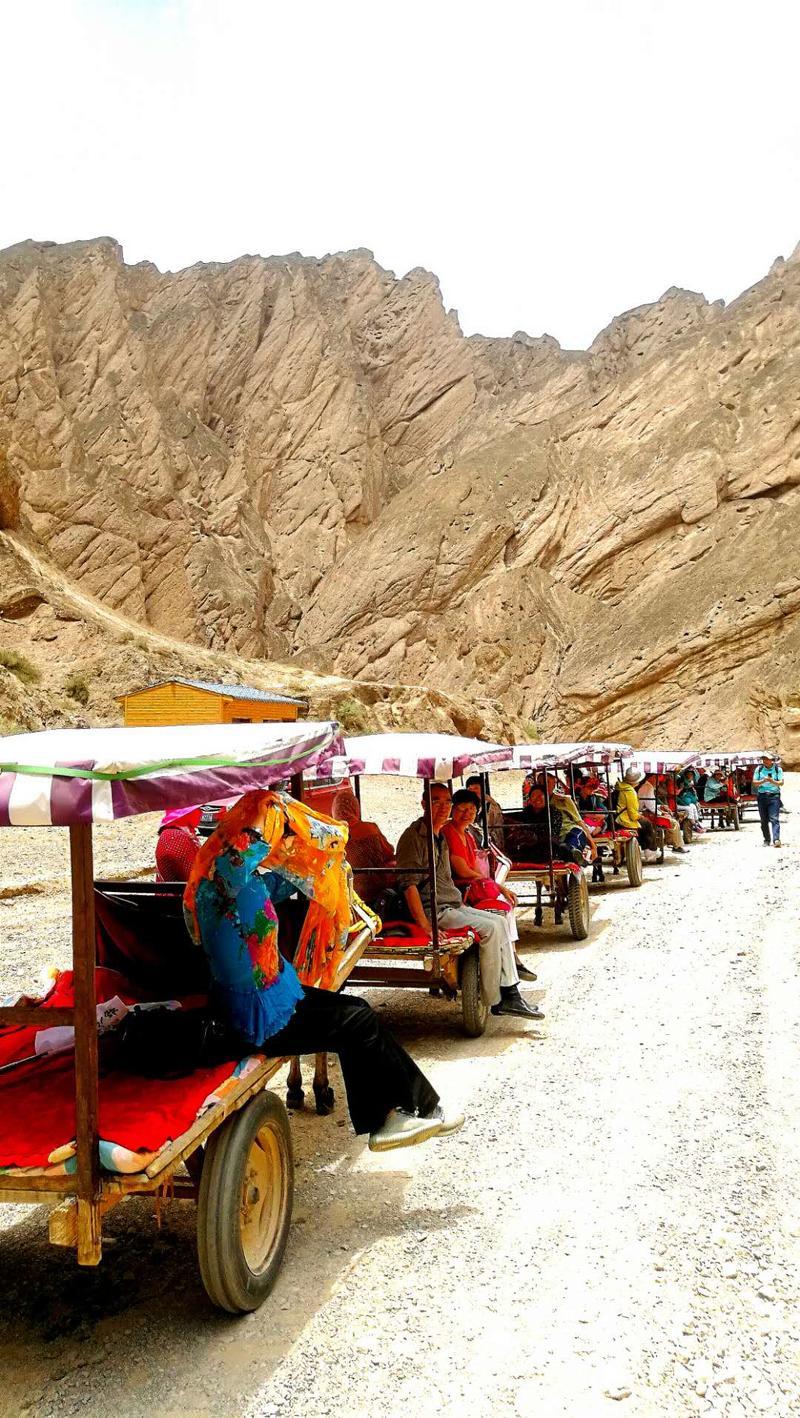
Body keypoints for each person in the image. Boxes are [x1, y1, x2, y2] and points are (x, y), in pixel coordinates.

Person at [184, 789, 463, 1152]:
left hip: (269, 997)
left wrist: (325, 866)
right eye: (261, 834)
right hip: (253, 1019)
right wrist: (313, 851)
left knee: (358, 1009)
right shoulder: (229, 882)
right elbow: (278, 869)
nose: (265, 842)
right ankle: (384, 1121)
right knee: (356, 1022)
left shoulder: (228, 874)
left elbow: (278, 883)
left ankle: (426, 1107)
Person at [395, 782, 542, 1020]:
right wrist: (425, 926)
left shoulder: (440, 836)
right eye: (436, 801)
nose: (443, 806)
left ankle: (511, 993)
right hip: (436, 911)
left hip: (452, 904)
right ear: (424, 804)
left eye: (447, 801)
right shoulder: (413, 837)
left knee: (499, 921)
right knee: (492, 928)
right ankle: (497, 999)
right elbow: (409, 885)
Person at [442, 788, 536, 981]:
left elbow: (474, 868)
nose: (467, 814)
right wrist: (497, 886)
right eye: (462, 809)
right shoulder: (449, 833)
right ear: (453, 809)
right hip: (459, 890)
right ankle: (510, 962)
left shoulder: (468, 834)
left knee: (506, 902)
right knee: (502, 906)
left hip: (470, 885)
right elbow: (462, 870)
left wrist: (495, 885)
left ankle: (512, 956)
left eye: (471, 809)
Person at [331, 786, 395, 905]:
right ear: (355, 808)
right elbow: (389, 852)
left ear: (335, 810)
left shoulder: (331, 836)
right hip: (377, 894)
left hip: (346, 897)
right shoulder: (371, 829)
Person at [523, 772, 598, 863]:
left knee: (573, 838)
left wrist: (593, 845)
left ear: (554, 783)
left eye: (547, 782)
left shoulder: (564, 800)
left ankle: (573, 852)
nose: (543, 785)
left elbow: (579, 821)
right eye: (540, 783)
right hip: (550, 838)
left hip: (568, 832)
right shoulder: (534, 805)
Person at [614, 768, 658, 862]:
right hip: (624, 820)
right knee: (647, 824)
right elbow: (633, 815)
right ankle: (650, 851)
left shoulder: (620, 786)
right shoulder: (630, 791)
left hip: (617, 818)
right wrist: (640, 816)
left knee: (643, 823)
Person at [637, 773, 685, 854]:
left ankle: (671, 841)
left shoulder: (648, 787)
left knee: (671, 818)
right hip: (648, 814)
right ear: (652, 777)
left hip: (649, 812)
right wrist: (661, 813)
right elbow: (651, 806)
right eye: (658, 778)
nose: (659, 781)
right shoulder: (647, 788)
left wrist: (661, 807)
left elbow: (651, 804)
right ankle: (677, 846)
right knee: (673, 823)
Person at [156, 806, 202, 882]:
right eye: (198, 808)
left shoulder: (171, 832)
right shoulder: (176, 837)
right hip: (182, 888)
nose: (201, 812)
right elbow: (193, 877)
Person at [465, 775, 505, 850]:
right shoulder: (472, 804)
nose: (473, 792)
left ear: (483, 789)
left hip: (491, 843)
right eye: (470, 789)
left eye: (476, 788)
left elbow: (487, 829)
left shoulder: (490, 806)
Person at [753, 752, 783, 848]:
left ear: (772, 760)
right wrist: (763, 781)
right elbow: (755, 783)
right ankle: (766, 840)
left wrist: (772, 781)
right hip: (762, 796)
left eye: (767, 759)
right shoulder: (759, 769)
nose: (765, 761)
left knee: (774, 819)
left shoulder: (778, 769)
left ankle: (776, 839)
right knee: (764, 820)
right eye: (764, 759)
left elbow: (781, 783)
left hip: (774, 796)